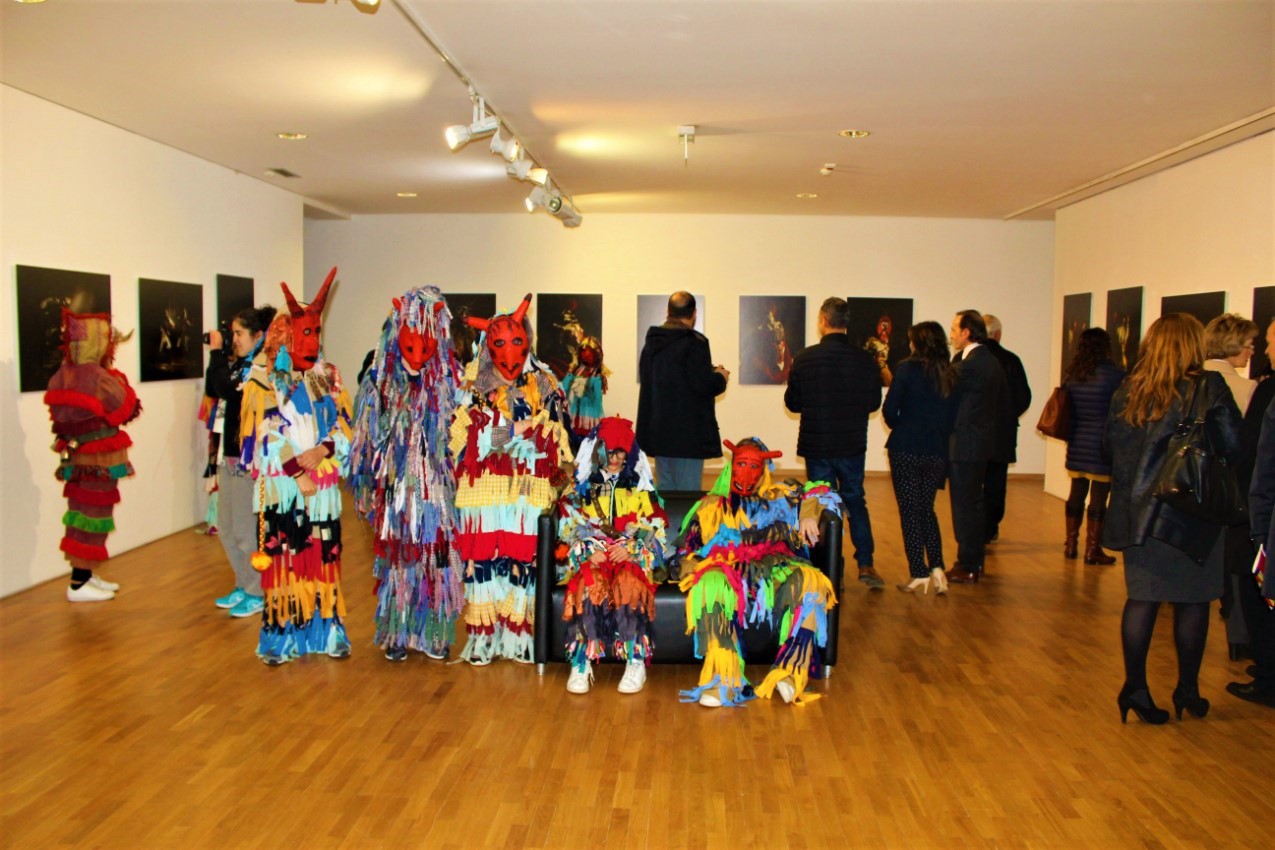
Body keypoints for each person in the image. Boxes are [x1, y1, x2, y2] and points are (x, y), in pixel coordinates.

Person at [1102, 313, 1243, 724]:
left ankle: (1135, 688)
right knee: (1194, 602)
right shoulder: (1208, 387)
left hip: (1139, 516)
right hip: (1190, 513)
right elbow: (1233, 446)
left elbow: (1109, 450)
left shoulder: (1129, 390)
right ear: (1194, 346)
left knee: (1142, 600)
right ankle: (1187, 690)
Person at [240, 269, 354, 665]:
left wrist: (323, 450)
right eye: (303, 334)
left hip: (322, 489)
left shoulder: (325, 377)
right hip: (285, 489)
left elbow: (341, 426)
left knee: (323, 555)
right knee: (286, 557)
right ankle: (281, 636)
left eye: (316, 333)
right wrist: (296, 470)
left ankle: (326, 632)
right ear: (285, 337)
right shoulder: (265, 382)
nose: (312, 341)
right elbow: (263, 436)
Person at [450, 294, 572, 665]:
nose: (509, 357)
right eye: (500, 344)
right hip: (484, 494)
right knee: (484, 563)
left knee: (523, 562)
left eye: (517, 343)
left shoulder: (546, 384)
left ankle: (518, 638)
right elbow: (464, 440)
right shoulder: (472, 385)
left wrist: (511, 433)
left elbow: (555, 439)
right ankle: (484, 640)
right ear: (488, 347)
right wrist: (512, 431)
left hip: (527, 489)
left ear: (528, 342)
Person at [346, 287, 465, 661]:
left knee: (437, 560)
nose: (417, 359)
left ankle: (434, 632)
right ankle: (398, 633)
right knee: (399, 561)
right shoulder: (378, 381)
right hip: (397, 491)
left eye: (424, 350)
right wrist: (368, 488)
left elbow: (464, 431)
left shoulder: (452, 380)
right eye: (410, 349)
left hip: (437, 491)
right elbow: (365, 440)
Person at [676, 438, 841, 708]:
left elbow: (820, 490)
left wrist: (809, 513)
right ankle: (723, 678)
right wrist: (699, 566)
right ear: (732, 466)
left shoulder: (781, 497)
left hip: (775, 564)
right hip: (728, 566)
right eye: (741, 464)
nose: (747, 472)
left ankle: (791, 672)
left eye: (755, 465)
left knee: (812, 582)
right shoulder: (711, 507)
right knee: (711, 584)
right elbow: (688, 550)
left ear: (764, 468)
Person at [556, 416, 669, 695]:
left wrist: (632, 547)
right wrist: (586, 547)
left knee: (629, 584)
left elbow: (656, 524)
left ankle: (636, 660)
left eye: (622, 452)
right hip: (593, 555)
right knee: (588, 584)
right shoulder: (581, 488)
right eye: (610, 451)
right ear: (597, 450)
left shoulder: (640, 487)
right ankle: (581, 662)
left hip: (627, 556)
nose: (616, 458)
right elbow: (568, 524)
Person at [784, 297, 884, 587]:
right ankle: (866, 564)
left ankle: (829, 566)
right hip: (852, 443)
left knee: (821, 503)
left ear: (822, 321)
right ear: (846, 323)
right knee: (855, 499)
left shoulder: (804, 358)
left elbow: (793, 403)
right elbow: (873, 403)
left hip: (818, 445)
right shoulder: (865, 360)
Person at [43, 308, 141, 602]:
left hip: (76, 459)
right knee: (94, 515)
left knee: (80, 513)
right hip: (98, 460)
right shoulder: (98, 377)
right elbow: (126, 408)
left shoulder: (62, 374)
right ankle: (78, 582)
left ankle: (84, 574)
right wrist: (118, 380)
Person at [203, 305, 276, 618]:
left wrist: (218, 352)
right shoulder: (237, 365)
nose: (234, 339)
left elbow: (228, 392)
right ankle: (243, 584)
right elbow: (213, 387)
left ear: (258, 336)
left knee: (247, 531)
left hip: (248, 459)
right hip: (228, 455)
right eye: (232, 334)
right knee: (227, 527)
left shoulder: (259, 369)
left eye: (239, 334)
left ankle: (257, 591)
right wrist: (218, 356)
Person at [1204, 314, 1264, 661]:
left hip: (1193, 491)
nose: (1253, 350)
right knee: (1237, 563)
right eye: (1249, 343)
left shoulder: (1187, 382)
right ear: (1232, 345)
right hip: (1234, 492)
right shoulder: (1248, 390)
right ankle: (1239, 636)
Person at [882, 321, 956, 594]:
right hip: (936, 451)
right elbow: (953, 417)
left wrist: (902, 425)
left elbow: (890, 410)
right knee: (927, 509)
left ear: (917, 343)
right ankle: (937, 567)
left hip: (906, 448)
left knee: (909, 512)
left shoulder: (906, 369)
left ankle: (918, 572)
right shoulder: (950, 373)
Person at [637, 291, 729, 491]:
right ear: (694, 313)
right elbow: (703, 384)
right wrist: (720, 376)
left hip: (659, 434)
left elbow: (659, 379)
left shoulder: (652, 343)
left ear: (668, 311)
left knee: (666, 496)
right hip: (688, 438)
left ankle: (668, 525)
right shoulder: (695, 343)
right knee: (687, 499)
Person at [1227, 326, 1275, 708]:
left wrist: (1257, 528)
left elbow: (1257, 461)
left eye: (1271, 343)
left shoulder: (1268, 393)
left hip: (1260, 517)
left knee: (1259, 594)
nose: (1265, 350)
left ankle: (1268, 677)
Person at [945, 310, 1009, 584]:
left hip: (967, 445)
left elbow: (943, 385)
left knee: (965, 505)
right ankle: (972, 560)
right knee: (972, 503)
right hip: (978, 443)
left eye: (954, 329)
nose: (951, 334)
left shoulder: (972, 364)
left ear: (966, 332)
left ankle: (968, 562)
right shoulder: (987, 360)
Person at [1061, 327, 1125, 564]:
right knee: (1099, 499)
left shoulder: (1073, 374)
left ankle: (1070, 545)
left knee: (1076, 493)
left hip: (1077, 441)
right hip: (1102, 444)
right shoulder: (1116, 376)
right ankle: (1092, 550)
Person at [980, 314, 1032, 545]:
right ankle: (990, 527)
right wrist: (1008, 416)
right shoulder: (1011, 360)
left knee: (972, 482)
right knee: (996, 481)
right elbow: (1024, 397)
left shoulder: (967, 359)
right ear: (998, 334)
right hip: (1002, 432)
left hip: (974, 432)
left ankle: (974, 529)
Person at [1203, 313, 1259, 415]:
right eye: (1249, 345)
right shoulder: (1248, 387)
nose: (1252, 352)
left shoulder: (1185, 378)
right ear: (1233, 346)